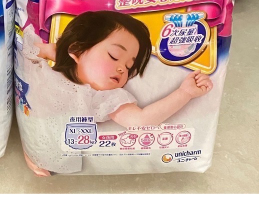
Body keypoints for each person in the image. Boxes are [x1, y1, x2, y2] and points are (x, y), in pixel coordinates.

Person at [16, 11, 212, 176]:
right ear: (76, 49)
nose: (121, 69)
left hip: (51, 152)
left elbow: (140, 121)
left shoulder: (101, 97)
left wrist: (184, 93)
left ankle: (37, 157)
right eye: (114, 56)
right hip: (28, 132)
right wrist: (56, 51)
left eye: (129, 67)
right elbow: (23, 48)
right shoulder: (43, 69)